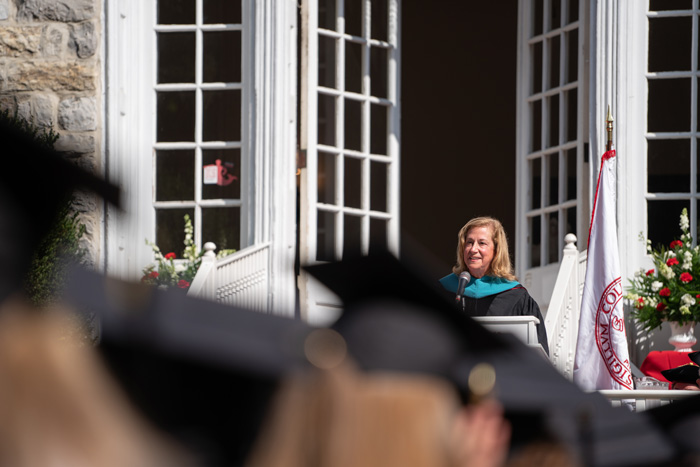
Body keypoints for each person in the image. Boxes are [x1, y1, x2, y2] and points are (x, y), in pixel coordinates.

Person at [439, 217, 549, 354]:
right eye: (469, 242)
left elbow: (539, 350)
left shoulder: (516, 296)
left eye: (482, 243)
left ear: (496, 251)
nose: (473, 249)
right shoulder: (444, 289)